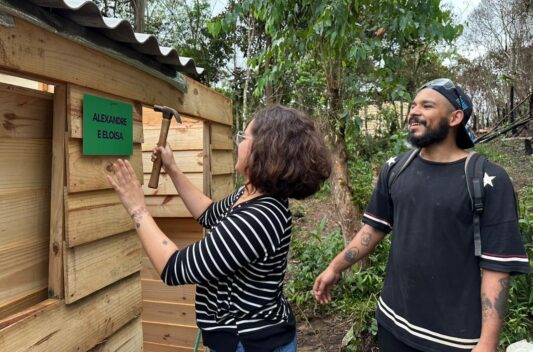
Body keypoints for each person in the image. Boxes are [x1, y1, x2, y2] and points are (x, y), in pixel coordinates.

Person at [313, 79, 530, 352]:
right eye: (413, 105)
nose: (413, 112)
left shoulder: (489, 179)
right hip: (393, 322)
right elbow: (374, 228)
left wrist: (487, 343)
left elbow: (496, 268)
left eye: (427, 105)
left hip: (454, 339)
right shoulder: (396, 168)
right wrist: (335, 268)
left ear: (455, 117)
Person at [107, 105, 331, 352]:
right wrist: (172, 168)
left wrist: (137, 208)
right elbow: (209, 213)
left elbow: (175, 268)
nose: (238, 143)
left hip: (251, 343)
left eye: (243, 138)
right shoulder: (251, 194)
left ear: (266, 149)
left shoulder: (257, 219)